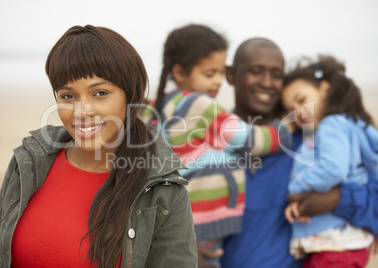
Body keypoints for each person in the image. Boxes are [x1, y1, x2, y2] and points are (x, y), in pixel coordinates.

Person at [0, 25, 197, 268]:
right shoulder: (27, 161)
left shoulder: (163, 189)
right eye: (68, 96)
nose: (82, 111)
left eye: (100, 93)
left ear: (130, 95)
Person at [141, 24, 292, 267]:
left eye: (220, 73)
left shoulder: (154, 108)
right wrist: (285, 129)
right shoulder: (201, 105)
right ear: (179, 72)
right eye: (210, 74)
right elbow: (250, 140)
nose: (217, 82)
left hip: (174, 217)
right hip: (204, 216)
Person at [219, 38, 378, 268]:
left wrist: (337, 199)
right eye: (255, 71)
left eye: (276, 74)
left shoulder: (307, 144)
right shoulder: (210, 142)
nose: (267, 82)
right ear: (232, 75)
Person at [282, 55, 376, 267]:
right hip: (338, 245)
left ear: (326, 89)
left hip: (334, 247)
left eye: (301, 100)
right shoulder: (347, 126)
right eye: (289, 109)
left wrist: (297, 190)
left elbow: (333, 169)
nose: (297, 112)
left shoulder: (331, 125)